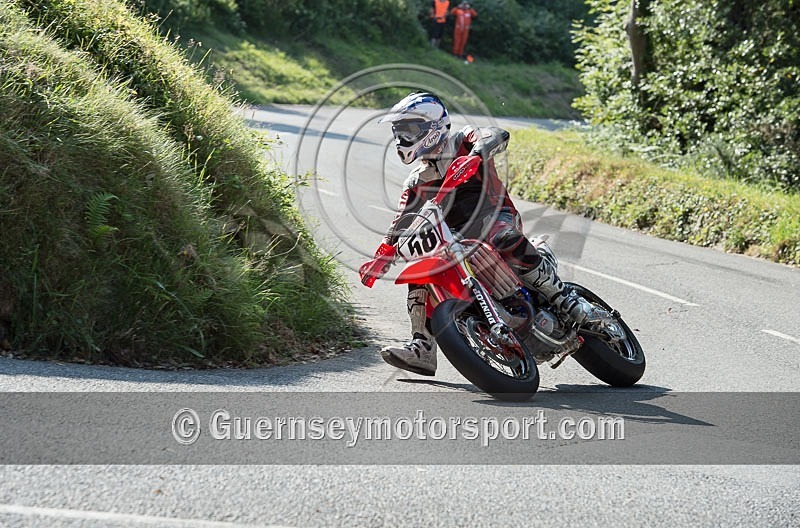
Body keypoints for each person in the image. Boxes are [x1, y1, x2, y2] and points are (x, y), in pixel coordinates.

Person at [367, 92, 608, 376]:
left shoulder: (461, 141)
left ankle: (562, 298)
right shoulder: (417, 180)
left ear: (431, 127)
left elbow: (495, 134)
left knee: (502, 237)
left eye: (408, 130)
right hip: (454, 238)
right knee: (420, 272)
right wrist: (383, 253)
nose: (402, 137)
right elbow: (401, 222)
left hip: (496, 218)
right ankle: (423, 347)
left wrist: (476, 154)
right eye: (399, 131)